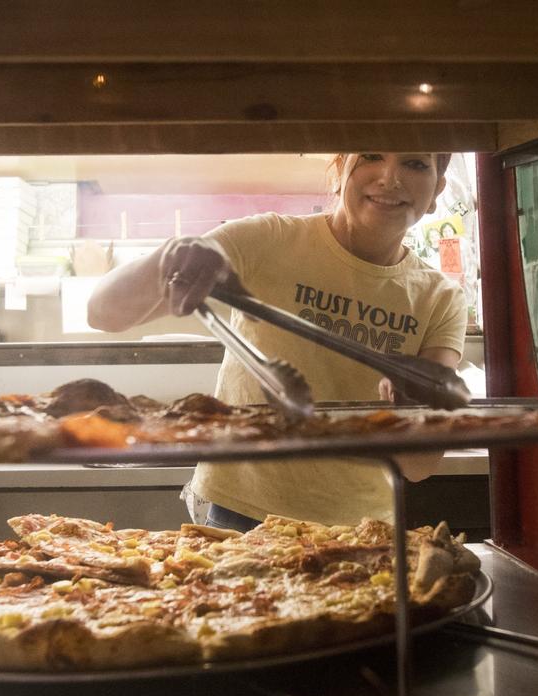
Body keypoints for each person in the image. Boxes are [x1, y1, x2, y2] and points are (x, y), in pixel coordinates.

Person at [88, 153, 467, 531]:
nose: (390, 177)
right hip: (240, 510)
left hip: (360, 527)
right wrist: (171, 257)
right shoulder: (266, 239)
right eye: (370, 156)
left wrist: (409, 415)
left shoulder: (440, 298)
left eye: (415, 164)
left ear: (437, 190)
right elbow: (103, 312)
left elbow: (419, 467)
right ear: (338, 173)